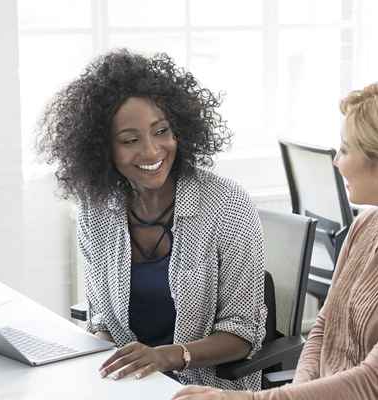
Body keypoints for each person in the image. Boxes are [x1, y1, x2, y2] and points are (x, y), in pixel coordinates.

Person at [172, 81, 378, 400]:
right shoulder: (367, 224)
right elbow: (324, 327)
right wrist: (298, 390)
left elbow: (375, 385)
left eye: (346, 149)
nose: (337, 161)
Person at [35, 49, 267, 391]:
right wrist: (102, 363)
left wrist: (166, 357)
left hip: (203, 390)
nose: (151, 151)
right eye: (130, 140)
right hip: (129, 386)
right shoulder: (95, 209)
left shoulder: (225, 203)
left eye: (161, 132)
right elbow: (101, 319)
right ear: (102, 149)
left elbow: (243, 333)